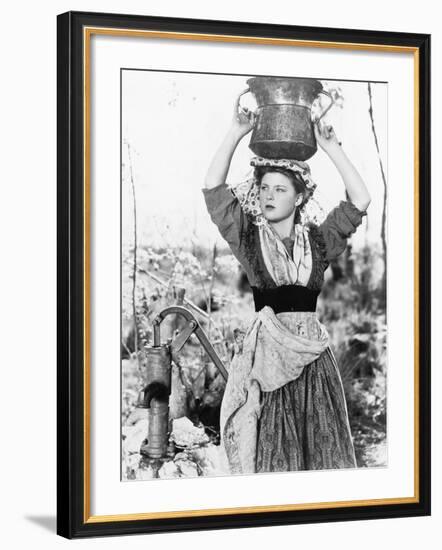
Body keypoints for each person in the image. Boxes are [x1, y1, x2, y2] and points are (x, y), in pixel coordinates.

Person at [203, 88, 371, 475]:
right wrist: (235, 132)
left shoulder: (318, 241)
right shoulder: (248, 239)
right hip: (268, 365)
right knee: (276, 458)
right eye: (263, 188)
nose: (268, 195)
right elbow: (213, 190)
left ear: (299, 198)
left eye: (280, 189)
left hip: (314, 363)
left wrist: (330, 146)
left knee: (323, 455)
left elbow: (360, 200)